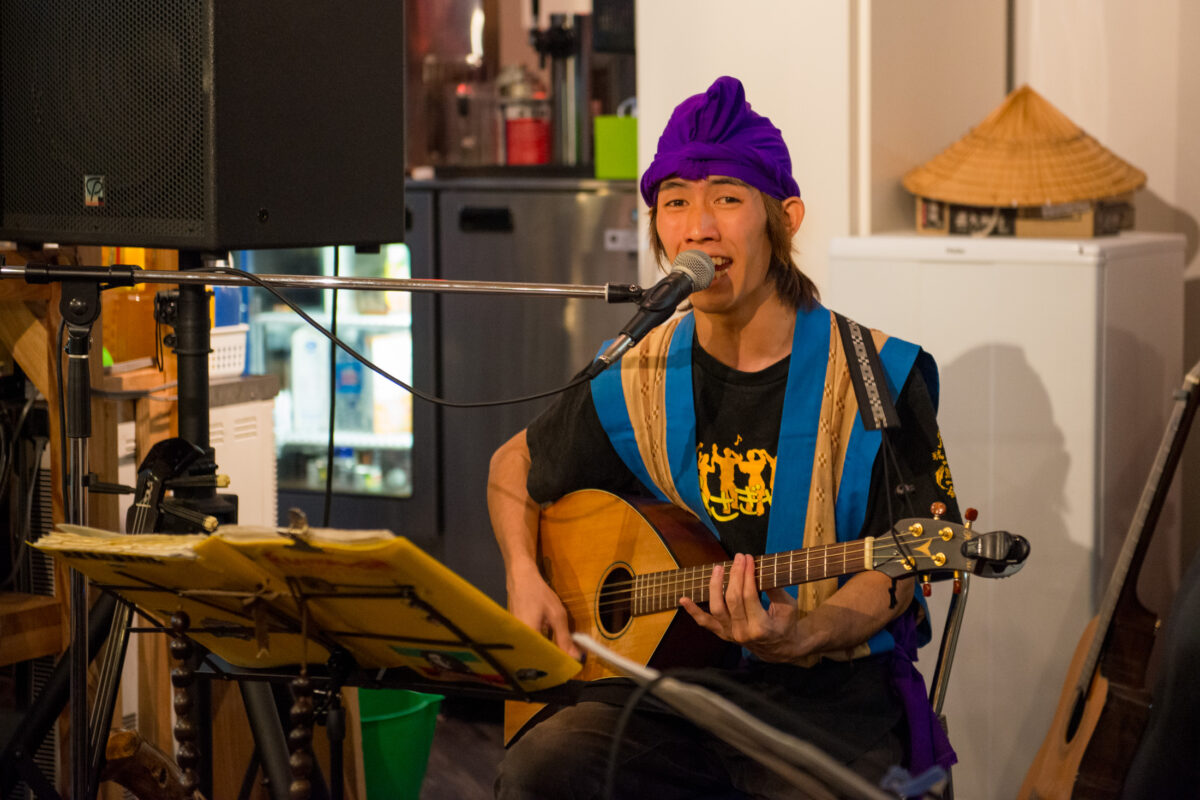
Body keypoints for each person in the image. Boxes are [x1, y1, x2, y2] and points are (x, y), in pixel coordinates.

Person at [487, 75, 958, 799]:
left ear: (785, 219)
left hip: (825, 697)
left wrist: (804, 632)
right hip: (666, 688)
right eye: (674, 201)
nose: (698, 226)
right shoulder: (636, 368)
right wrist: (524, 576)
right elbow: (512, 465)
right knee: (540, 769)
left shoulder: (877, 376)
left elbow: (901, 568)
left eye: (726, 199)